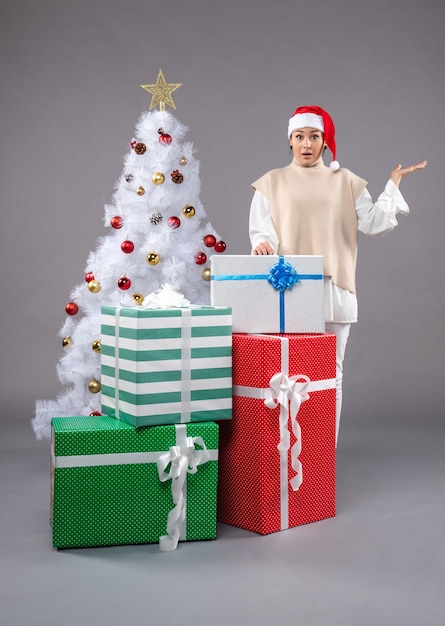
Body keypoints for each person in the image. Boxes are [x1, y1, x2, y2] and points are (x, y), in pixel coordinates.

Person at [249, 105, 427, 443]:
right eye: (299, 136)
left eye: (314, 137)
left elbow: (375, 223)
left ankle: (322, 454)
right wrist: (261, 244)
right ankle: (285, 448)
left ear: (324, 141)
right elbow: (262, 230)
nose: (306, 144)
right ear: (290, 140)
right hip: (289, 290)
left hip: (336, 287)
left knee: (331, 374)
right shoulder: (271, 182)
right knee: (286, 372)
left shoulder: (345, 181)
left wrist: (394, 183)